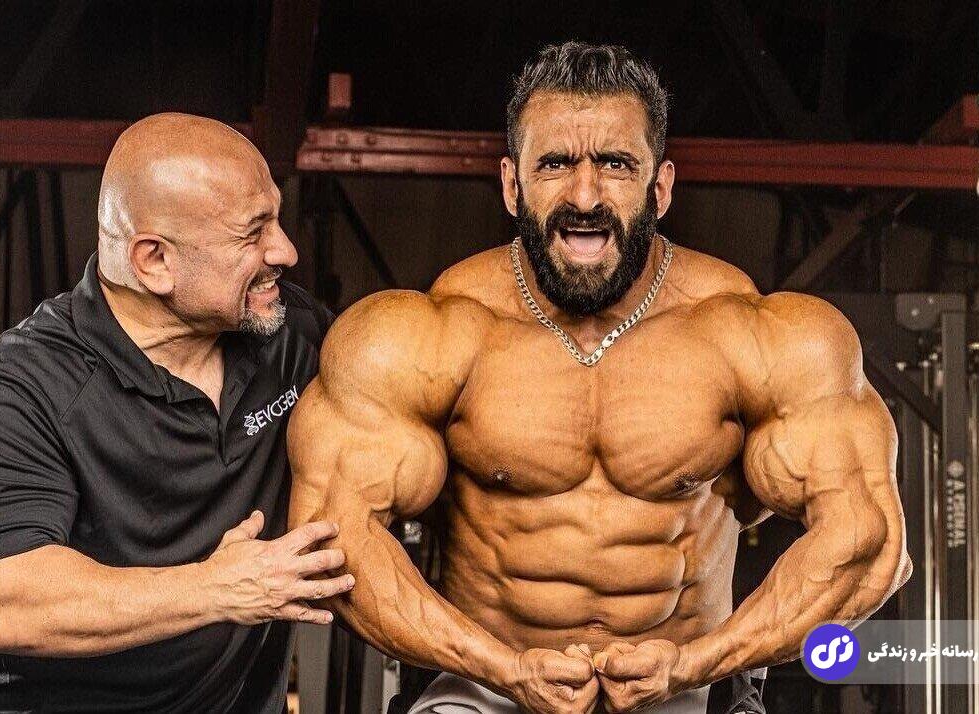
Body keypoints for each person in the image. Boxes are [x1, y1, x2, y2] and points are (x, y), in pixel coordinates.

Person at [287, 42, 911, 714]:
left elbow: (867, 544)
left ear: (659, 187)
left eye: (615, 164)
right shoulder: (420, 337)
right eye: (555, 163)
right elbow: (335, 541)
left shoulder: (759, 336)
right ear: (511, 184)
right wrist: (505, 669)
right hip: (483, 685)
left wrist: (695, 664)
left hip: (688, 684)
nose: (584, 196)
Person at [0, 113, 353, 713]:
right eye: (252, 232)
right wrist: (216, 587)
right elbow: (1, 605)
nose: (285, 250)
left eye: (277, 220)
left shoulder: (290, 334)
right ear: (154, 260)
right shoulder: (17, 391)